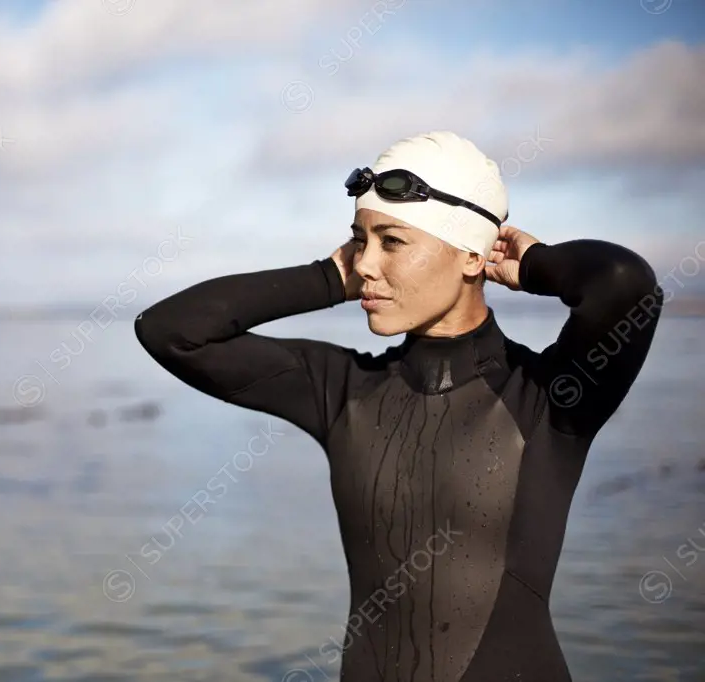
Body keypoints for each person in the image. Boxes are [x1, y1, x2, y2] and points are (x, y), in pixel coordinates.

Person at [133, 130, 662, 681]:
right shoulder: (343, 389)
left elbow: (626, 286)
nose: (365, 264)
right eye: (359, 241)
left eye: (392, 242)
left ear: (470, 256)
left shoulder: (547, 397)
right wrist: (325, 277)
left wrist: (533, 265)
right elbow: (170, 331)